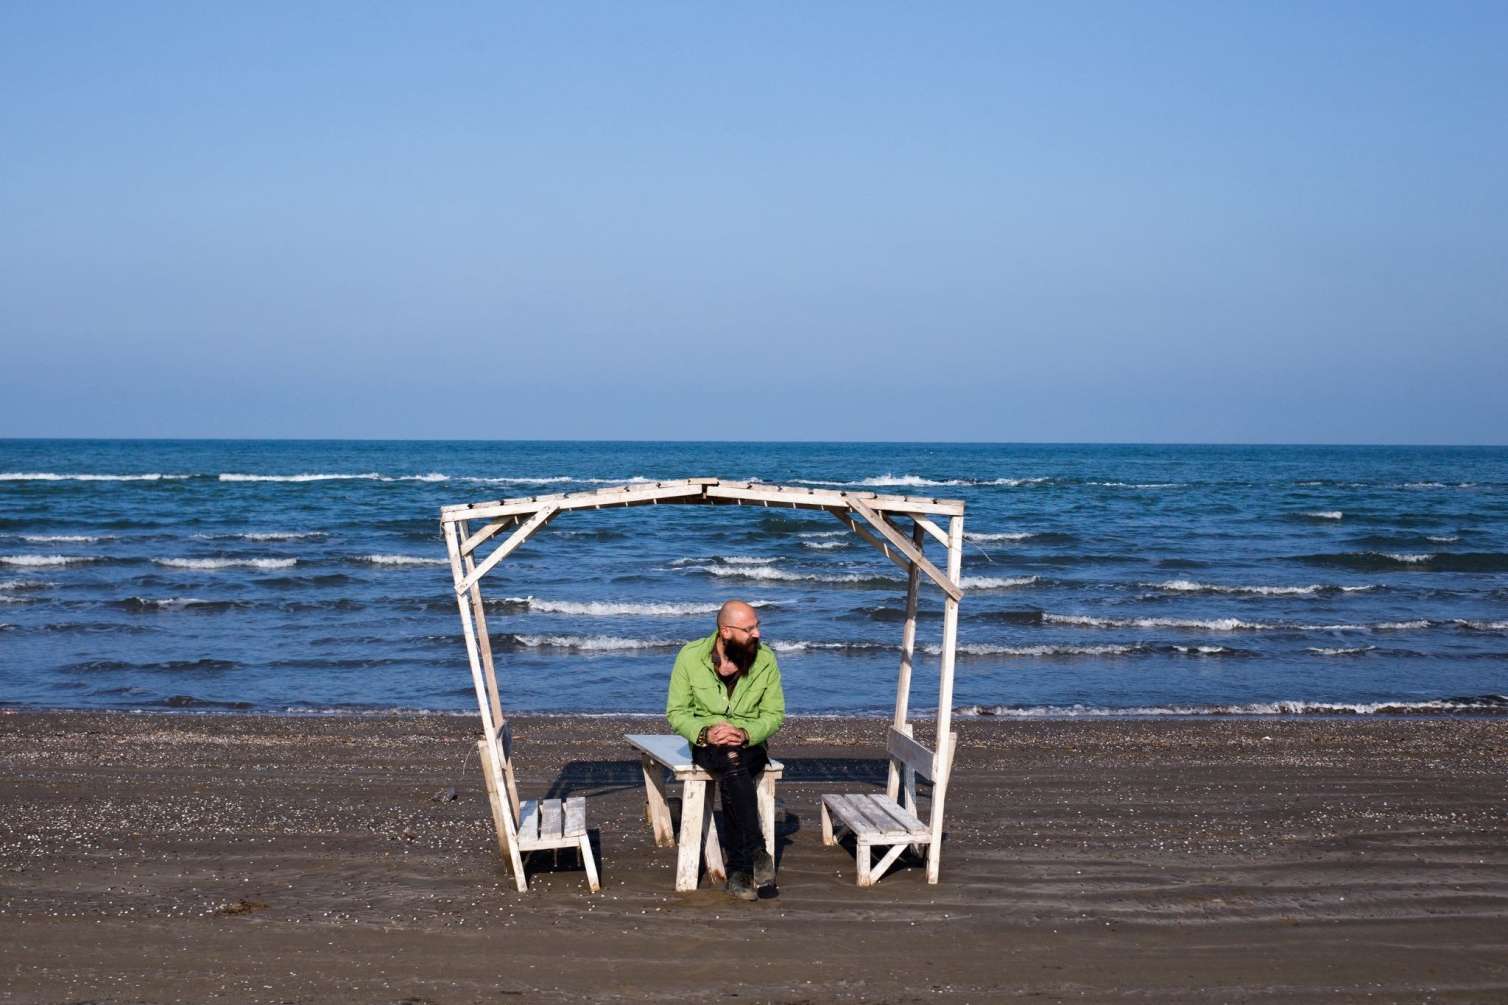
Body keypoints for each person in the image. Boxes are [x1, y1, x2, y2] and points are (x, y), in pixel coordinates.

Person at [665, 599, 786, 900]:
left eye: (757, 626)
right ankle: (755, 851)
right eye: (749, 629)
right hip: (708, 744)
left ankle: (740, 870)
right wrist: (706, 732)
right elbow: (676, 712)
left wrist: (745, 733)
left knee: (735, 762)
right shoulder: (690, 657)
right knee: (732, 763)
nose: (757, 633)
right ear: (725, 632)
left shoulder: (766, 660)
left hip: (751, 744)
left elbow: (774, 714)